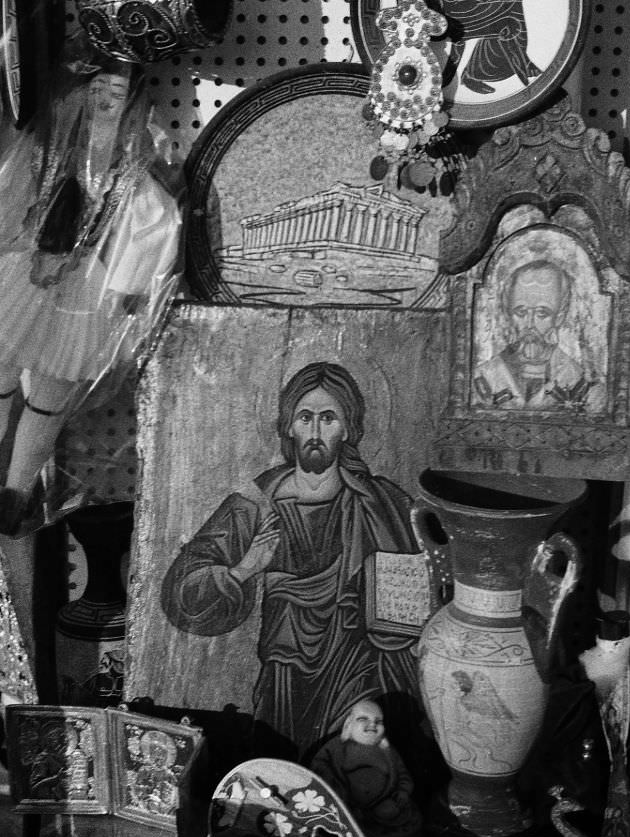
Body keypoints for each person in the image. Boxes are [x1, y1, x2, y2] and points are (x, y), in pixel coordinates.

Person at [160, 362, 421, 759]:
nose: (315, 432)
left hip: (358, 660)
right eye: (305, 418)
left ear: (348, 429)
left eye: (328, 419)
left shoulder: (382, 504)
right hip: (287, 665)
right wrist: (245, 567)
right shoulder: (254, 505)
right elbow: (182, 594)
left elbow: (424, 576)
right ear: (289, 427)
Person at [0, 57, 181, 534]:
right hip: (23, 272)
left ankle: (16, 491)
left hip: (81, 289)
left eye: (117, 95)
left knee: (50, 397)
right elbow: (10, 199)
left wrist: (125, 286)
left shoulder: (128, 169)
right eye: (99, 89)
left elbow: (154, 221)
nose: (103, 101)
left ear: (131, 107)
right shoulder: (43, 149)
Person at [473, 260, 599, 410]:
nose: (530, 324)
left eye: (542, 313)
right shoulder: (483, 378)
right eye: (521, 312)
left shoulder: (578, 382)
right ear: (508, 314)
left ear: (559, 316)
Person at [311, 698, 422, 837]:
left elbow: (403, 776)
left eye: (379, 721)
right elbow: (320, 770)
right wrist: (342, 800)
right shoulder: (335, 749)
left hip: (385, 810)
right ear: (349, 723)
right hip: (347, 809)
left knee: (395, 818)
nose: (373, 725)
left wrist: (402, 794)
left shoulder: (388, 751)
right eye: (363, 719)